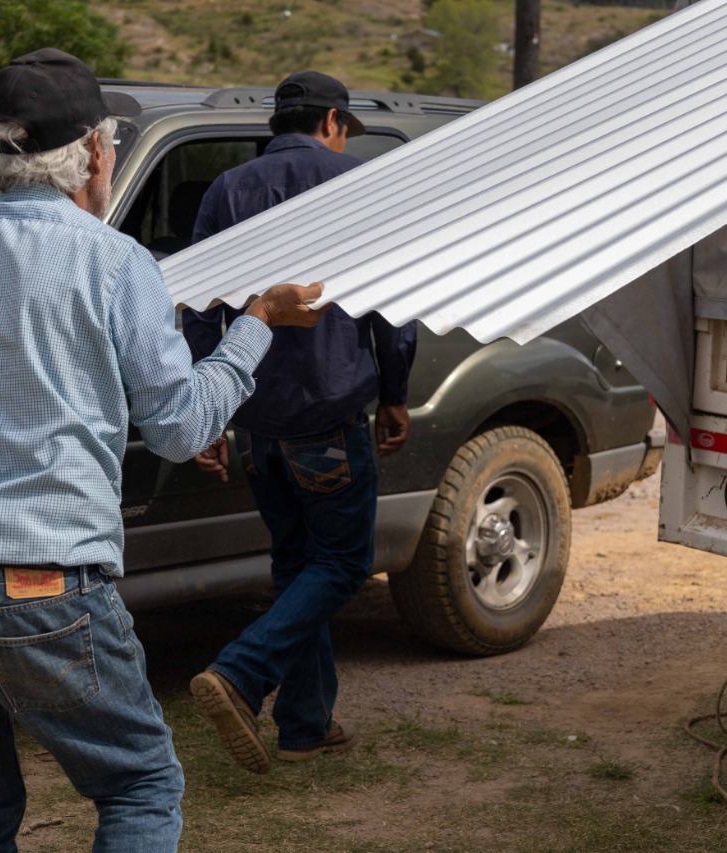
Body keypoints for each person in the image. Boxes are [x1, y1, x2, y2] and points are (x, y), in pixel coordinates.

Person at [0, 48, 323, 852]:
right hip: (35, 583)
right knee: (140, 786)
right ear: (98, 152)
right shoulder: (115, 262)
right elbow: (182, 427)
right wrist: (256, 324)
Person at [184, 71, 417, 771]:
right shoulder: (358, 183)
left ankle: (305, 724)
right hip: (329, 414)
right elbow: (392, 307)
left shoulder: (228, 190)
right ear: (333, 122)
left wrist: (206, 411)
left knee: (297, 564)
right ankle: (240, 673)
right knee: (342, 563)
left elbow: (198, 310)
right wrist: (396, 391)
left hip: (257, 420)